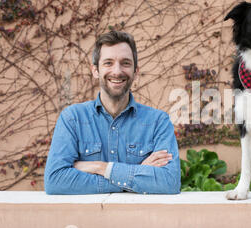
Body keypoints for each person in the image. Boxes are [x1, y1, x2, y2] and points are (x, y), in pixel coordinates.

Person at [44, 31, 180, 195]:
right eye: (108, 63)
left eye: (125, 63)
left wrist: (100, 167)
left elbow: (169, 182)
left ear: (136, 72)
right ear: (95, 70)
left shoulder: (158, 121)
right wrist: (137, 175)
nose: (117, 71)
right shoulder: (73, 119)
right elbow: (55, 181)